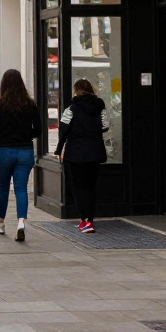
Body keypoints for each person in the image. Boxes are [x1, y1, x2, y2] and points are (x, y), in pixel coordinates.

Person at [0, 69, 41, 242]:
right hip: (25, 151)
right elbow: (38, 129)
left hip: (4, 151)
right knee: (21, 188)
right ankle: (21, 222)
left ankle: (0, 222)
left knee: (2, 187)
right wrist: (26, 134)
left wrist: (4, 130)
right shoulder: (30, 104)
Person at [54, 78, 109, 234]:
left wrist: (59, 150)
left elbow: (63, 131)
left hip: (75, 153)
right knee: (90, 187)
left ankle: (84, 219)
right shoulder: (100, 106)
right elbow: (105, 126)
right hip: (95, 151)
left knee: (79, 187)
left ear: (76, 91)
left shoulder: (71, 109)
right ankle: (90, 220)